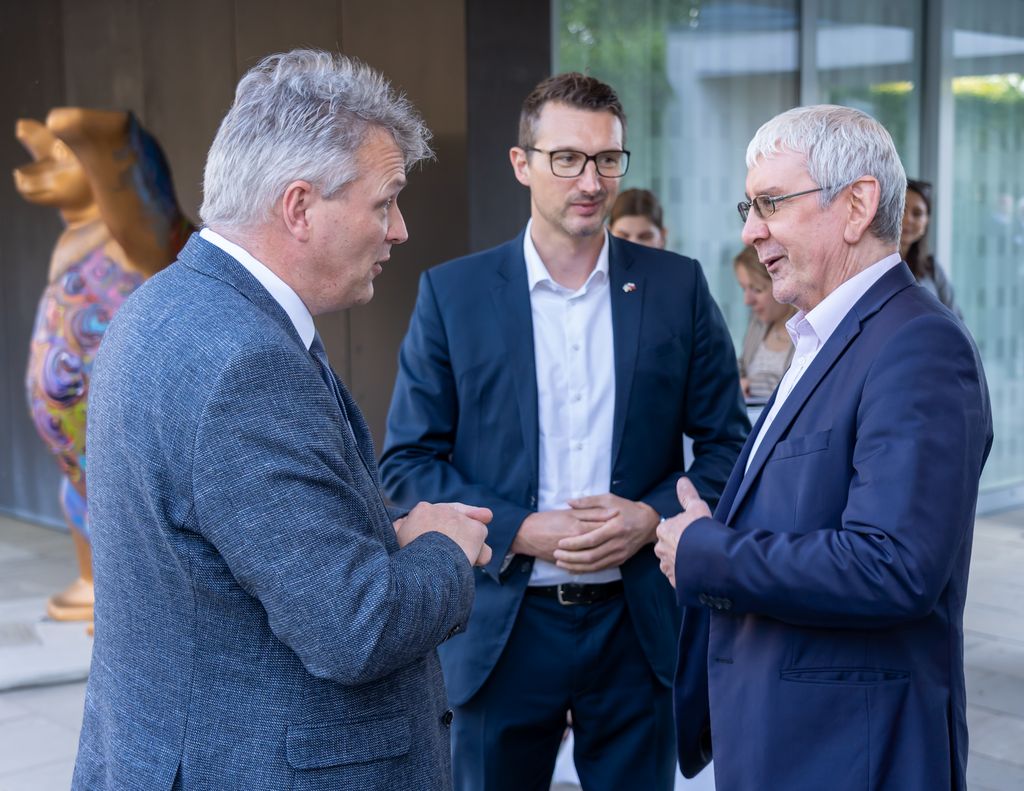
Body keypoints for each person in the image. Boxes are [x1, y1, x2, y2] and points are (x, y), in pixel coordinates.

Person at [73, 50, 492, 790]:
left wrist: (377, 539)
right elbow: (355, 628)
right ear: (299, 207)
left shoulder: (157, 309)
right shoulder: (245, 362)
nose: (399, 229)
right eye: (385, 200)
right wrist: (445, 548)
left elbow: (224, 555)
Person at [381, 72, 747, 791]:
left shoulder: (677, 287)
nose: (591, 179)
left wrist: (651, 516)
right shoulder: (452, 295)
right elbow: (409, 462)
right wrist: (521, 529)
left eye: (608, 159)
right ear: (523, 163)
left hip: (636, 626)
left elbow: (730, 446)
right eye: (567, 158)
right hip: (502, 626)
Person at [655, 105, 992, 790]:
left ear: (858, 204)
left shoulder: (918, 343)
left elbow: (893, 564)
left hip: (849, 753)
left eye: (771, 202)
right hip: (793, 739)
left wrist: (704, 550)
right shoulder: (827, 333)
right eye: (749, 207)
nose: (750, 231)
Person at [732, 244, 795, 401]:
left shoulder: (805, 330)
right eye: (743, 289)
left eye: (757, 290)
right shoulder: (758, 323)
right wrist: (739, 382)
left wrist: (753, 385)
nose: (747, 301)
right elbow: (742, 365)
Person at [902, 178, 960, 315]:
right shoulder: (873, 267)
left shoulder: (932, 269)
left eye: (917, 214)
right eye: (902, 210)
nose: (908, 219)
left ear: (926, 221)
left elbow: (958, 323)